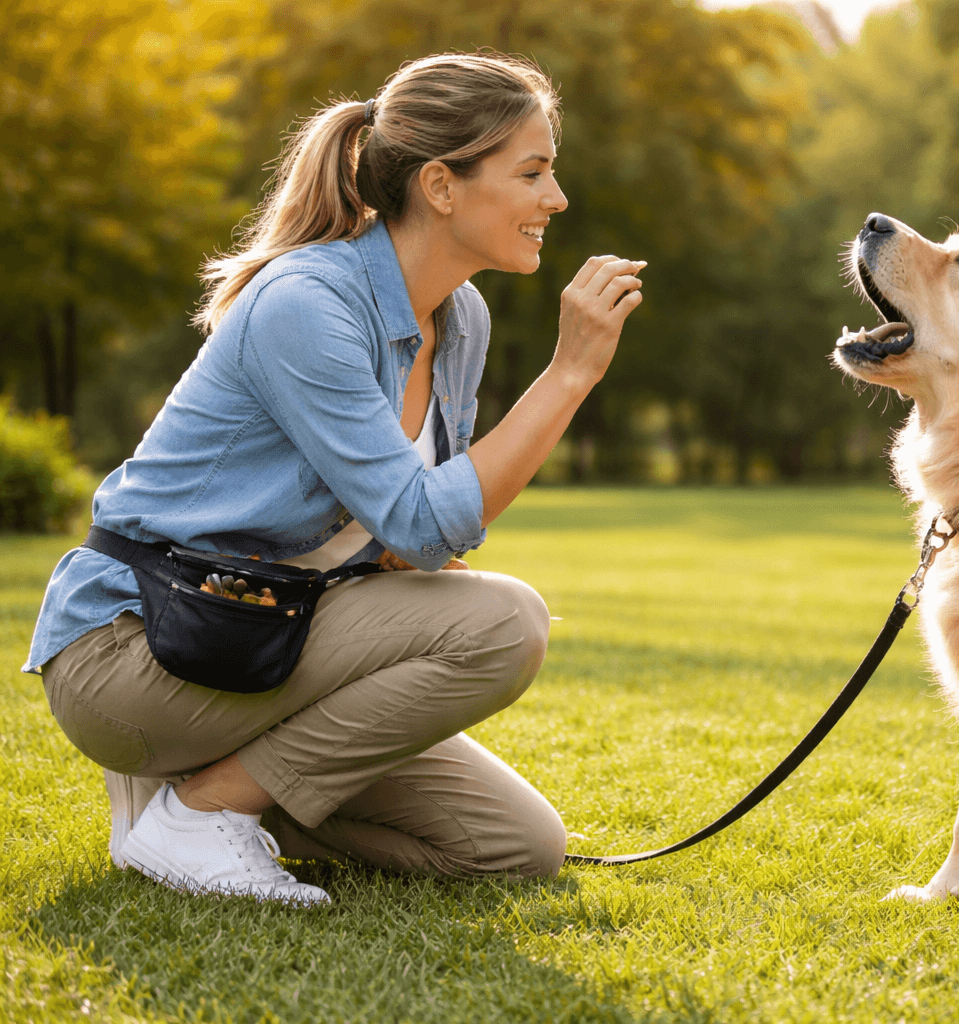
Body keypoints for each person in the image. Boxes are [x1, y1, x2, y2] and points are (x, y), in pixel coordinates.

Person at [23, 52, 645, 905]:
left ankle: (199, 802)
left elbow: (410, 533)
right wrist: (568, 373)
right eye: (533, 172)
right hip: (144, 648)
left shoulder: (460, 318)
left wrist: (397, 554)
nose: (557, 199)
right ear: (441, 186)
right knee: (506, 623)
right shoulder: (307, 303)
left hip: (267, 640)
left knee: (515, 846)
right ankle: (203, 810)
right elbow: (427, 522)